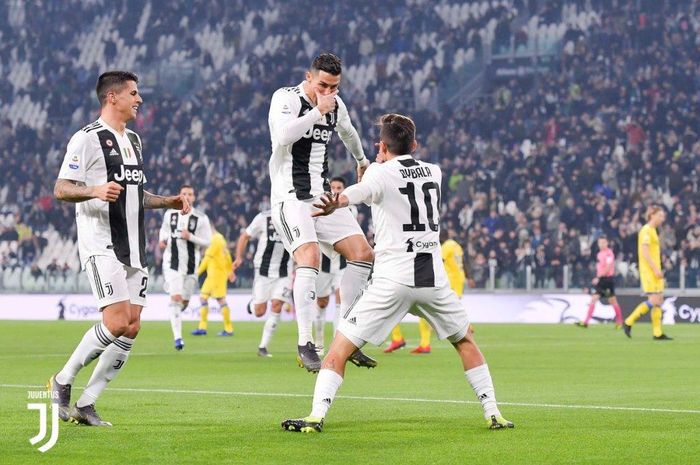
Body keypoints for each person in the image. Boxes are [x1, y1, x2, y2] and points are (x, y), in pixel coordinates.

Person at [281, 113, 513, 433]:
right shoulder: (435, 172)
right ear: (414, 144)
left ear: (381, 146)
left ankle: (316, 416)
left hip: (392, 279)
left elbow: (358, 193)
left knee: (338, 350)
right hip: (433, 278)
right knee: (465, 341)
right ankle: (493, 413)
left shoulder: (379, 173)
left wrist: (339, 200)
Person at [48, 71, 190, 426]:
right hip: (102, 244)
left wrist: (167, 202)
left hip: (134, 247)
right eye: (134, 93)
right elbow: (62, 189)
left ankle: (87, 403)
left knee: (132, 326)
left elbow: (135, 195)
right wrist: (94, 190)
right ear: (113, 97)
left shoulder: (135, 141)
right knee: (115, 321)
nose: (139, 99)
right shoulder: (87, 139)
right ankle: (62, 380)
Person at [268, 53, 376, 372]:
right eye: (323, 85)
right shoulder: (286, 98)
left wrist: (361, 160)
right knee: (310, 257)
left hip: (322, 197)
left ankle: (347, 335)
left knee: (363, 253)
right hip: (290, 197)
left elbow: (349, 131)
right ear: (309, 77)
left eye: (335, 87)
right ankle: (305, 343)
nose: (329, 92)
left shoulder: (336, 106)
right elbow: (282, 137)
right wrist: (317, 111)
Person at [385, 228, 467, 354]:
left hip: (447, 281)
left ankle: (414, 341)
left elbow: (438, 261)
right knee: (436, 310)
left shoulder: (446, 246)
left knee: (394, 307)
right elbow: (464, 263)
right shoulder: (456, 245)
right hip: (457, 281)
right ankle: (421, 341)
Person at [232, 210, 293, 357]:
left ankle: (263, 346)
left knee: (277, 305)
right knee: (259, 312)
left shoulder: (294, 216)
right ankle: (251, 305)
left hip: (285, 271)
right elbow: (245, 236)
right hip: (263, 270)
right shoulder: (263, 217)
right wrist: (239, 257)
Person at [159, 184, 212, 350]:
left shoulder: (201, 218)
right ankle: (178, 338)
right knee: (175, 298)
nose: (187, 196)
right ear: (179, 195)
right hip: (171, 263)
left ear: (194, 197)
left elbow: (208, 242)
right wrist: (163, 239)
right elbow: (164, 231)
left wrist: (190, 237)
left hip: (190, 266)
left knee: (184, 302)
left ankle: (175, 316)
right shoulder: (170, 214)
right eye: (184, 194)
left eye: (190, 194)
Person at [314, 177, 354, 356]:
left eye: (340, 187)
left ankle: (335, 345)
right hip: (323, 264)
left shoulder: (350, 209)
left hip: (342, 264)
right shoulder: (319, 206)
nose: (336, 190)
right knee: (321, 303)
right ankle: (319, 341)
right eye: (334, 187)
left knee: (341, 300)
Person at [623, 206, 672, 340]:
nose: (663, 218)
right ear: (652, 215)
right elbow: (644, 253)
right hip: (649, 271)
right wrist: (655, 269)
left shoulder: (653, 231)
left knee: (659, 300)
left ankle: (657, 333)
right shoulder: (646, 230)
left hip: (655, 270)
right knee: (654, 299)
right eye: (660, 216)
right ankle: (628, 322)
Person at [192, 225, 235, 336]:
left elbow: (207, 258)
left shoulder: (215, 239)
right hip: (213, 275)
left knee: (220, 300)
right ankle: (202, 328)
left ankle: (228, 329)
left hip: (217, 276)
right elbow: (228, 256)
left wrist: (196, 272)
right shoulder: (221, 239)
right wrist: (230, 271)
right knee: (203, 298)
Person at [575, 236, 623, 328]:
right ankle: (586, 322)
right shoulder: (599, 254)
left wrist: (598, 277)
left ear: (607, 243)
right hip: (602, 280)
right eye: (600, 243)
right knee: (594, 299)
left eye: (603, 242)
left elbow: (608, 267)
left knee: (612, 301)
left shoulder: (609, 253)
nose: (601, 244)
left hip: (608, 280)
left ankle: (620, 322)